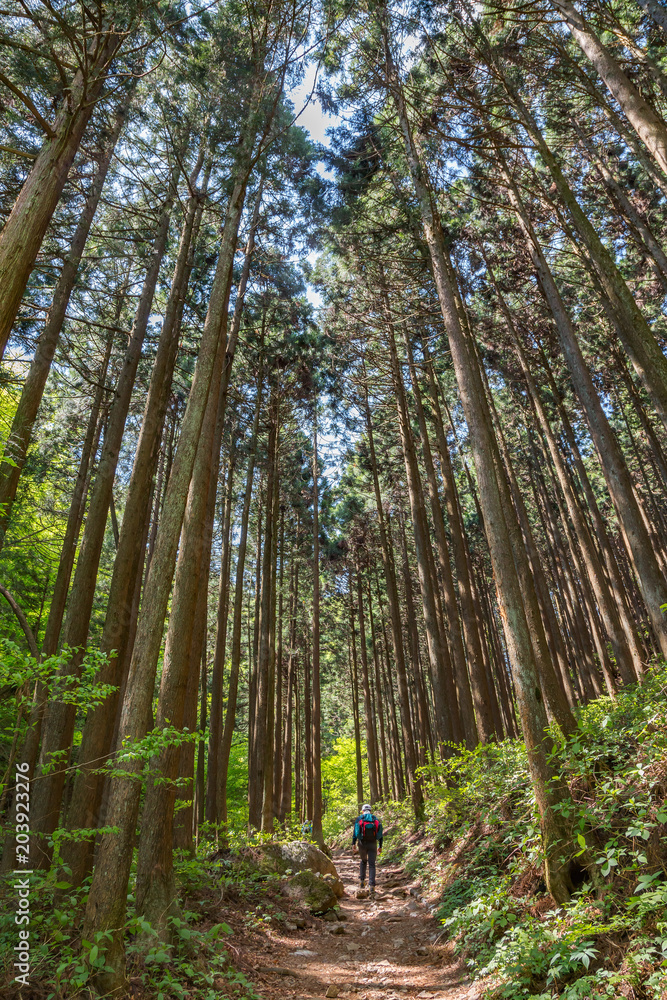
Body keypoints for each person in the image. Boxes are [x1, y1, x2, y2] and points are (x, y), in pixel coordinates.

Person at [352, 803, 383, 895]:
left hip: (362, 844)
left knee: (363, 861)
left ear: (362, 811)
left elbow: (355, 832)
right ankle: (371, 886)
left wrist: (353, 843)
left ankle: (362, 881)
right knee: (372, 864)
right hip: (373, 843)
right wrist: (380, 846)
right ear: (370, 810)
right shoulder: (375, 819)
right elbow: (380, 834)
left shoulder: (359, 819)